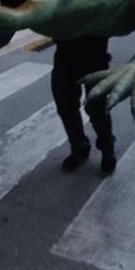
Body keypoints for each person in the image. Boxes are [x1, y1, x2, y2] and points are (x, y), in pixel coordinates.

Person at [52, 36, 116, 174]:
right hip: (64, 54)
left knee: (97, 107)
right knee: (65, 104)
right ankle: (79, 148)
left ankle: (107, 148)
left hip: (94, 54)